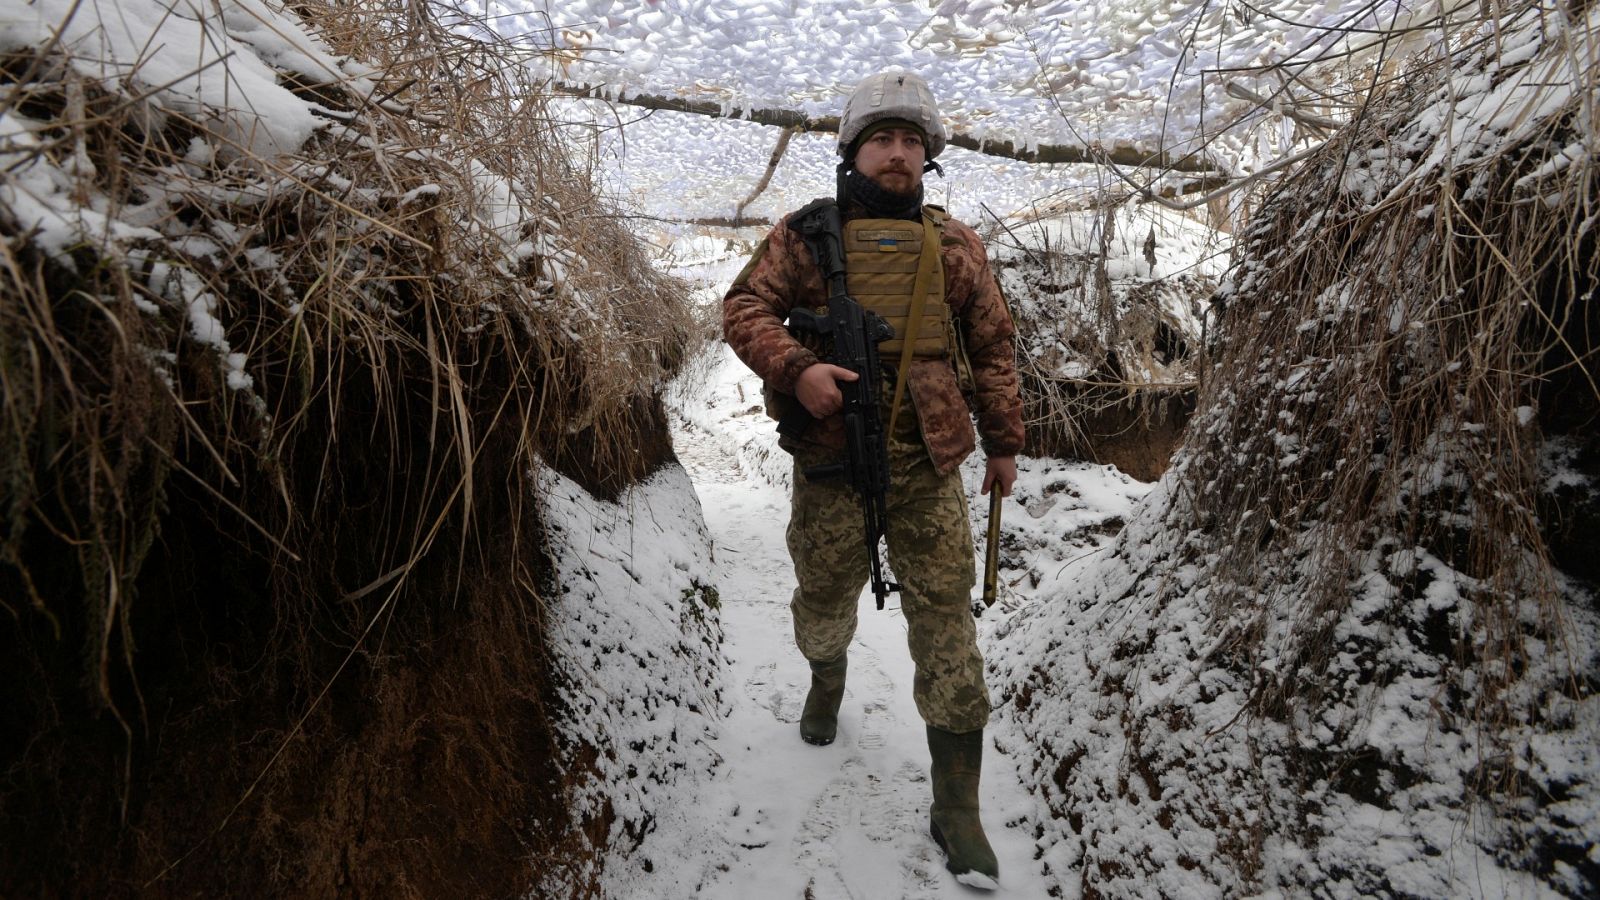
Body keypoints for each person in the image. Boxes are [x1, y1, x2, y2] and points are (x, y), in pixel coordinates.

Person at [721, 69, 1023, 888]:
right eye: (883, 140)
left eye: (912, 143)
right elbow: (743, 306)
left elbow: (992, 347)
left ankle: (956, 807)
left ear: (928, 159)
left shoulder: (956, 244)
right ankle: (828, 676)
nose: (898, 154)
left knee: (947, 625)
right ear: (855, 151)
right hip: (829, 456)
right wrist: (798, 368)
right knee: (822, 601)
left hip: (929, 460)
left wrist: (1003, 441)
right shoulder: (805, 234)